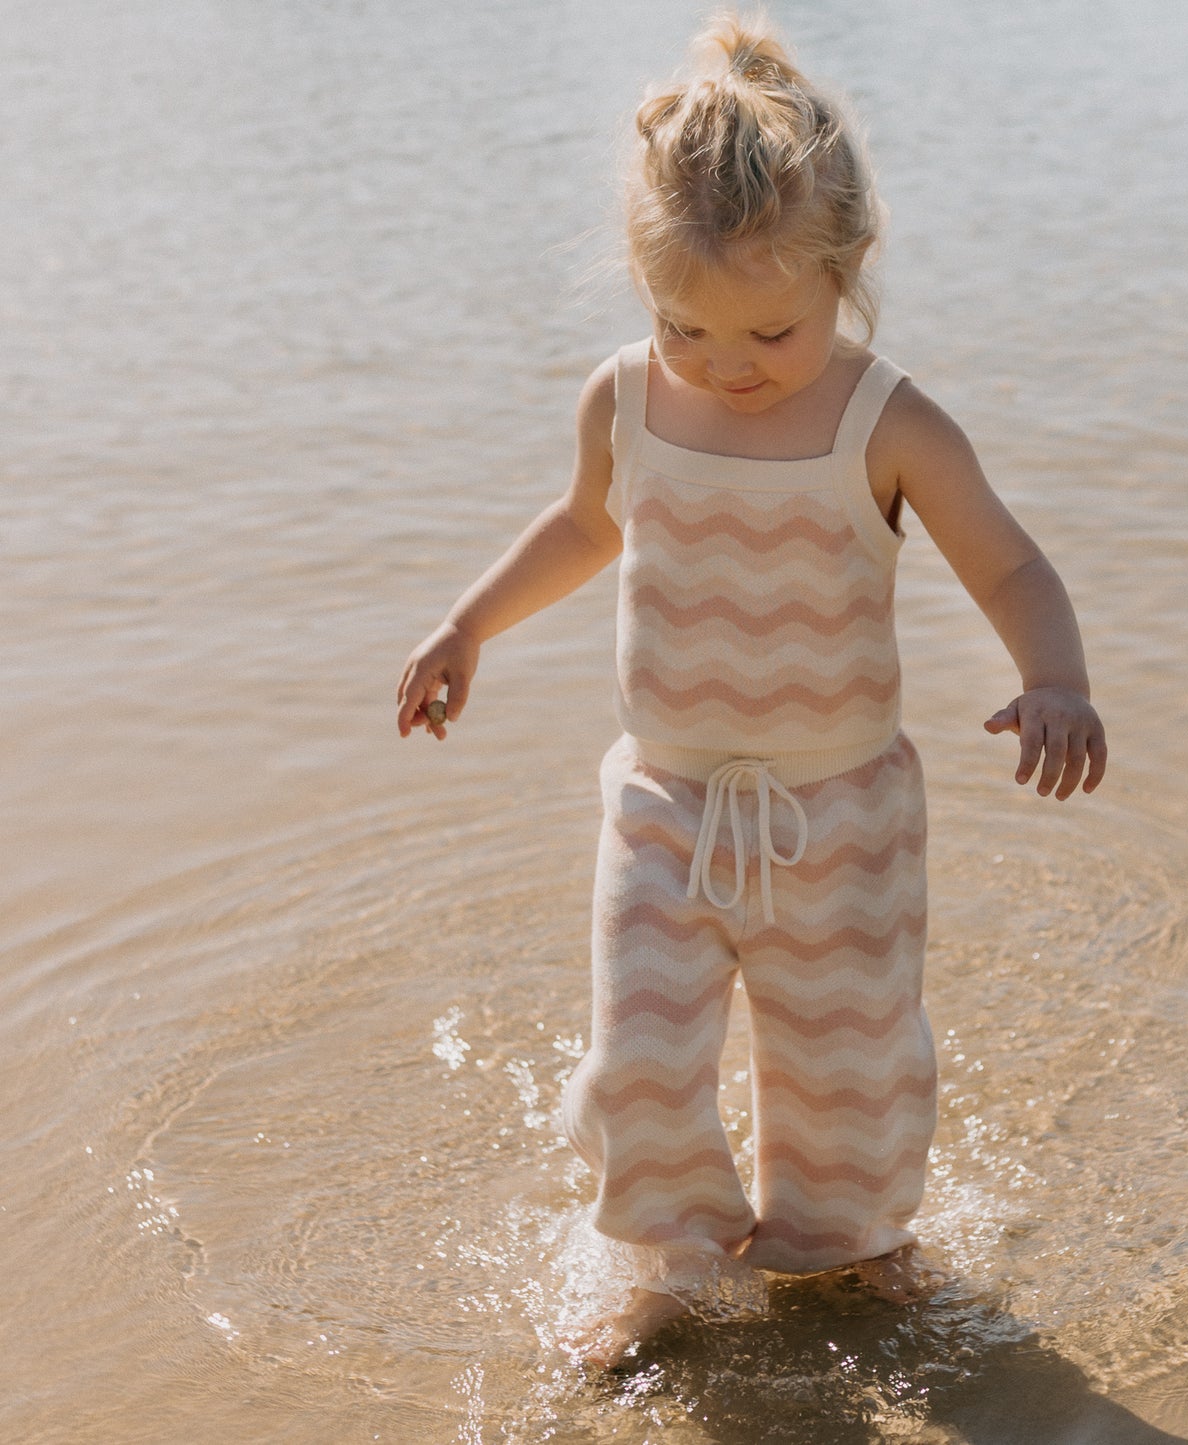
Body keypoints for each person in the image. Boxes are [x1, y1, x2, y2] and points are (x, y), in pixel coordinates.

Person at [396, 12, 1106, 1368]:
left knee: (847, 1064)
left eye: (768, 329)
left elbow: (1008, 562)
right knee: (640, 1057)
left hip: (839, 814)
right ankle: (662, 1262)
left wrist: (1054, 678)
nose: (724, 360)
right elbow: (583, 524)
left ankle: (848, 1244)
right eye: (682, 322)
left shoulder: (882, 419)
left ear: (845, 272)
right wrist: (468, 622)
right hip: (663, 804)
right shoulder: (626, 400)